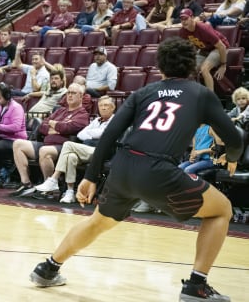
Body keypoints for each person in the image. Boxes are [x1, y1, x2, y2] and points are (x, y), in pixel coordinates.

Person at [29, 37, 242, 302]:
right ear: (192, 67)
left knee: (98, 222)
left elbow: (109, 136)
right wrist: (231, 157)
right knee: (221, 210)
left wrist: (91, 177)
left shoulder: (143, 93)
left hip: (123, 166)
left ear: (160, 68)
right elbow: (234, 138)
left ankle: (48, 269)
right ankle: (196, 286)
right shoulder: (201, 94)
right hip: (158, 170)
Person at [35, 96, 116, 203]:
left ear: (112, 108)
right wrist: (94, 134)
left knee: (68, 144)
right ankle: (70, 192)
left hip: (102, 152)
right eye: (101, 105)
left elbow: (103, 134)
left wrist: (91, 133)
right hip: (87, 150)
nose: (103, 108)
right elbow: (81, 134)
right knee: (70, 156)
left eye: (106, 105)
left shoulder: (115, 120)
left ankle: (54, 178)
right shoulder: (96, 120)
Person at [178, 9, 229, 92]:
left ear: (192, 18)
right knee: (189, 70)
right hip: (204, 49)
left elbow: (221, 46)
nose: (184, 22)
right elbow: (186, 49)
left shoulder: (203, 28)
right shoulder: (183, 32)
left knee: (204, 69)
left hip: (219, 49)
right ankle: (195, 94)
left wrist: (223, 65)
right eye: (182, 19)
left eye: (186, 19)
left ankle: (211, 97)